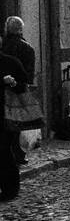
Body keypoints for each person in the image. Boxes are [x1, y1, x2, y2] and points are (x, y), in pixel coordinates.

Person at [2, 17, 36, 165]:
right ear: (20, 29)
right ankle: (19, 154)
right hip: (18, 90)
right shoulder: (27, 48)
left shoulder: (3, 46)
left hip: (3, 89)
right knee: (18, 124)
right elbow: (28, 75)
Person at [0, 49, 27, 201]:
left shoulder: (11, 62)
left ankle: (10, 189)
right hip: (9, 115)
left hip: (8, 116)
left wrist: (13, 83)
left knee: (4, 151)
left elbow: (23, 85)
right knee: (5, 152)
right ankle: (10, 188)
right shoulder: (12, 61)